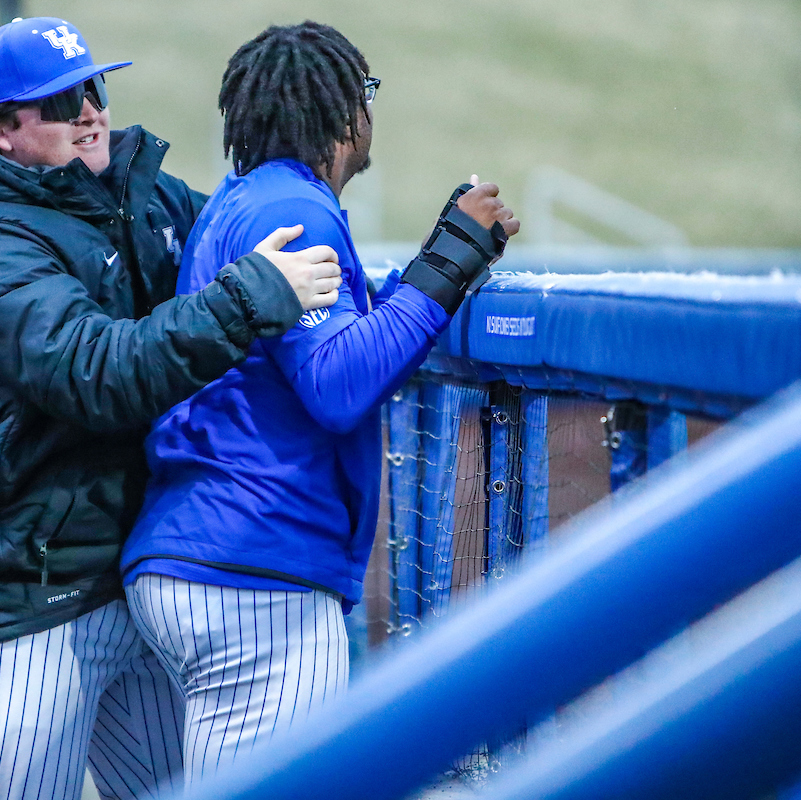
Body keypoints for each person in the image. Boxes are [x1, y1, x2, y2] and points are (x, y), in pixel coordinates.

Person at [0, 17, 342, 800]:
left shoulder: (141, 192)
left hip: (134, 586)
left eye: (94, 87)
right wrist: (252, 298)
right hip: (23, 598)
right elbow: (95, 371)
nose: (89, 111)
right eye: (60, 100)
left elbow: (260, 236)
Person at [120, 21, 520, 784]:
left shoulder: (249, 199)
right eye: (367, 93)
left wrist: (444, 258)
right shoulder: (288, 211)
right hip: (255, 568)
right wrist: (446, 266)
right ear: (341, 112)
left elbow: (334, 344)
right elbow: (338, 384)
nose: (372, 112)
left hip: (202, 553)